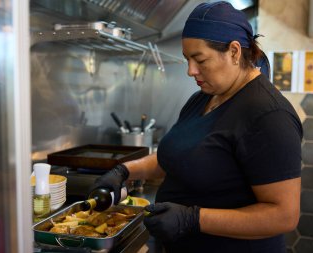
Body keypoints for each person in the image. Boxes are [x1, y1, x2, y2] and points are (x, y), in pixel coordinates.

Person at [88, 1, 302, 252]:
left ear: (234, 52)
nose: (191, 70)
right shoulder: (204, 96)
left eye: (199, 59)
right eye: (187, 59)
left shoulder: (268, 115)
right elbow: (178, 157)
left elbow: (283, 215)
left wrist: (193, 219)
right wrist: (123, 171)